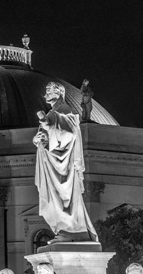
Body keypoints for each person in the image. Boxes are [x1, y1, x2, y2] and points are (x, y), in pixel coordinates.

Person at [33, 82, 99, 242]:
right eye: (46, 91)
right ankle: (64, 229)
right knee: (56, 199)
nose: (45, 94)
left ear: (59, 93)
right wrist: (38, 139)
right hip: (52, 162)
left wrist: (49, 127)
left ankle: (71, 230)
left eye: (49, 91)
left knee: (64, 197)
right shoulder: (52, 113)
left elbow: (69, 135)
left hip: (64, 165)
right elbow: (46, 137)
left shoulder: (64, 111)